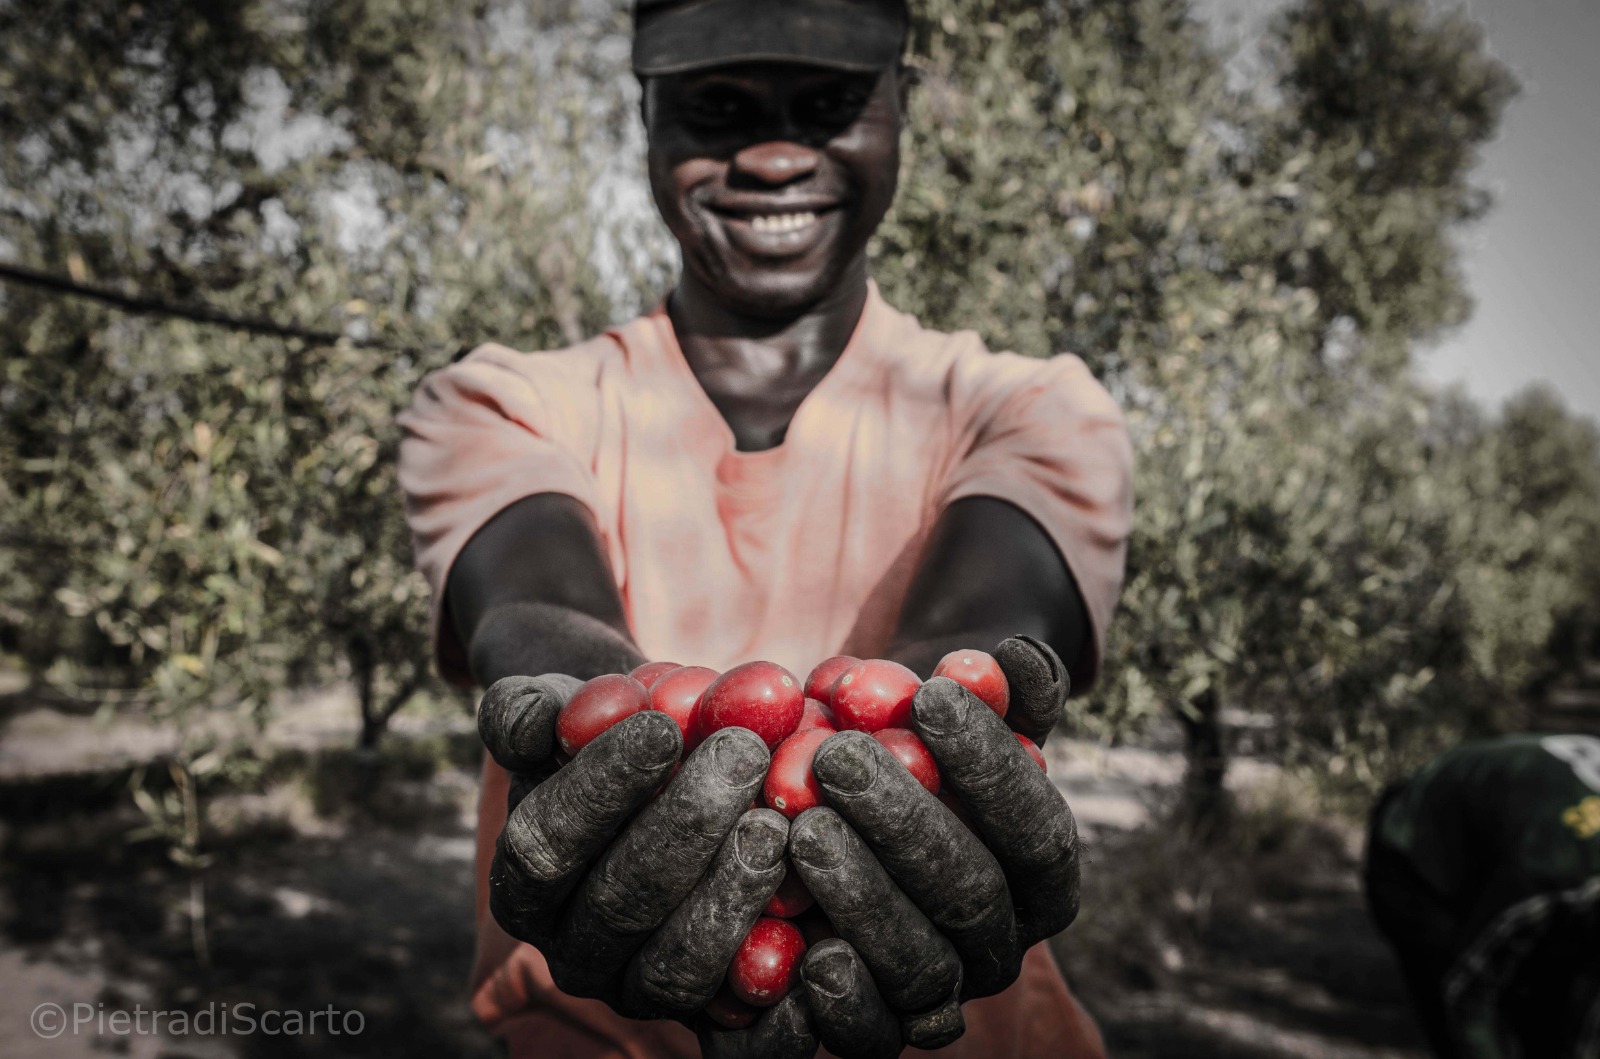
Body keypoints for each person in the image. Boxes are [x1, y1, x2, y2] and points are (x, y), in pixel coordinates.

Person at [397, 0, 1133, 1055]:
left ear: (900, 111)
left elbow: (967, 657)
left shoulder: (1033, 412)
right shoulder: (497, 403)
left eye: (828, 105)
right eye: (716, 107)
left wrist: (907, 748)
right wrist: (592, 728)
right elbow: (536, 610)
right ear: (644, 118)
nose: (775, 156)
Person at [1365, 733, 1600, 1059]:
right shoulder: (1551, 875)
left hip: (1523, 814)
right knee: (1470, 1009)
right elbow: (1469, 990)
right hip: (1414, 841)